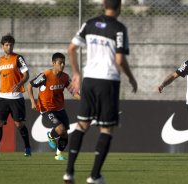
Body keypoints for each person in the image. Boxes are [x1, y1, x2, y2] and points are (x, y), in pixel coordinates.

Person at [63, 0, 137, 183]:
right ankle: (94, 175)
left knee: (82, 124)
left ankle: (69, 172)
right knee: (106, 128)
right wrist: (131, 77)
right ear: (119, 6)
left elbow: (71, 48)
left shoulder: (89, 23)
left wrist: (76, 73)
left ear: (104, 4)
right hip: (108, 81)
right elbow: (119, 60)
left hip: (89, 80)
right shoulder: (119, 28)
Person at [27, 52, 80, 160]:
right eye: (60, 63)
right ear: (53, 63)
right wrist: (32, 101)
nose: (62, 65)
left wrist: (85, 99)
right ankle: (50, 136)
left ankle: (58, 155)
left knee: (64, 133)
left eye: (64, 63)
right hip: (46, 109)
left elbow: (73, 92)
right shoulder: (45, 76)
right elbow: (29, 85)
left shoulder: (65, 77)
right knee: (60, 129)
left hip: (60, 108)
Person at [0, 34, 31, 156]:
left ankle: (27, 147)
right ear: (3, 46)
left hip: (16, 97)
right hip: (2, 96)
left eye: (11, 45)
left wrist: (20, 83)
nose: (9, 47)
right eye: (7, 45)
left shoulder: (18, 58)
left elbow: (26, 75)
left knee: (19, 124)